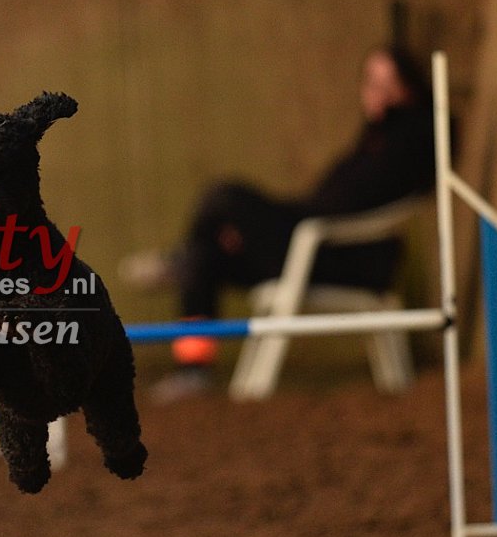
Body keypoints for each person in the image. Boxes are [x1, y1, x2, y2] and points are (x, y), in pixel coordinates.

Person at [137, 46, 437, 400]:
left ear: (409, 87)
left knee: (224, 196)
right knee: (205, 257)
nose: (377, 92)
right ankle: (193, 369)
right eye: (371, 81)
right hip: (305, 246)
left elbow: (341, 208)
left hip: (337, 259)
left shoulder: (412, 138)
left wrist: (263, 223)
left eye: (388, 83)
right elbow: (324, 203)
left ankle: (176, 261)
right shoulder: (372, 140)